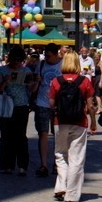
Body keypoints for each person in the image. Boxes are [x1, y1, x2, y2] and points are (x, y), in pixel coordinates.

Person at [48, 52, 96, 202]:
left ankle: (61, 185)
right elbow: (90, 105)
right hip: (79, 122)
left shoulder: (56, 81)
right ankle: (72, 194)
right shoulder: (84, 81)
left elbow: (50, 103)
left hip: (60, 121)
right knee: (77, 158)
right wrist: (93, 122)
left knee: (61, 154)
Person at [0, 46, 34, 176]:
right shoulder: (1, 70)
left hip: (22, 106)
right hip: (6, 106)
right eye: (14, 60)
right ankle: (7, 165)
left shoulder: (26, 71)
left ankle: (22, 165)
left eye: (19, 60)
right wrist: (5, 81)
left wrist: (33, 83)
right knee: (6, 136)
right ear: (10, 59)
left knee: (21, 136)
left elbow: (32, 90)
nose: (16, 63)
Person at [32, 43, 62, 177]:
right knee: (42, 134)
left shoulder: (62, 64)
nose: (47, 58)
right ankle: (43, 164)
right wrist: (36, 81)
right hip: (42, 102)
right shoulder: (42, 64)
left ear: (57, 54)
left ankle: (57, 163)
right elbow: (35, 83)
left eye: (49, 56)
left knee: (57, 135)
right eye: (46, 55)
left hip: (58, 104)